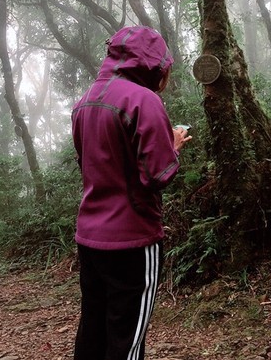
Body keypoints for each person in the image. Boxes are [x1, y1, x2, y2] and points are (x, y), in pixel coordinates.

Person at [71, 26, 191, 360]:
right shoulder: (144, 99)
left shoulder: (85, 101)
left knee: (93, 329)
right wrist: (173, 145)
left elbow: (94, 163)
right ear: (155, 67)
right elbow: (157, 174)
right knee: (127, 338)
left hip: (89, 236)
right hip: (132, 240)